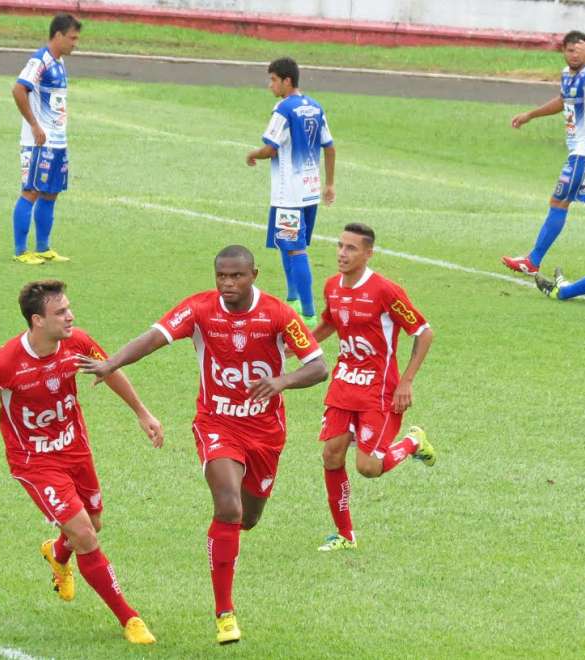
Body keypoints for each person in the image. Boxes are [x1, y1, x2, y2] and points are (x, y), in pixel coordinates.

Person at [77, 245, 328, 645]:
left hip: (265, 433)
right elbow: (154, 337)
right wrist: (113, 363)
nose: (228, 284)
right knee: (227, 506)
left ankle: (229, 546)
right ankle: (224, 614)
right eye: (222, 276)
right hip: (216, 423)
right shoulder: (199, 308)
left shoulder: (278, 314)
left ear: (254, 275)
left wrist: (281, 382)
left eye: (237, 276)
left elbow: (318, 366)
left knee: (247, 518)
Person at [0, 280, 162, 645]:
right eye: (61, 312)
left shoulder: (76, 342)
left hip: (75, 448)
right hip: (35, 461)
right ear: (37, 320)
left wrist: (142, 413)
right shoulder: (2, 363)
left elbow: (108, 369)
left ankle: (56, 552)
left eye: (69, 308)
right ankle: (129, 618)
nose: (71, 316)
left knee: (93, 523)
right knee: (84, 533)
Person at [310, 223, 436, 552]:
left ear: (368, 254)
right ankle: (345, 535)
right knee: (331, 455)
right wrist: (293, 348)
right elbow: (328, 324)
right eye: (340, 245)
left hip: (379, 389)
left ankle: (412, 442)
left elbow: (423, 332)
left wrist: (405, 381)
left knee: (368, 468)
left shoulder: (385, 291)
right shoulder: (332, 287)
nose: (342, 253)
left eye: (351, 248)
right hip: (343, 382)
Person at [502, 30, 585, 276]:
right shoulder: (567, 75)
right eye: (570, 49)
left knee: (559, 201)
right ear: (563, 51)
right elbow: (563, 100)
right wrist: (530, 115)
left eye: (580, 49)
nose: (574, 54)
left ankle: (533, 260)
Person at [246, 57, 336, 327]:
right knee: (289, 246)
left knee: (295, 250)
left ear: (287, 81)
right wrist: (329, 184)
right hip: (309, 191)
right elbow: (329, 147)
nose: (270, 85)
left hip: (290, 195)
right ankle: (293, 299)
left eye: (273, 79)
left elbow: (271, 148)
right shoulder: (315, 107)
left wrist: (252, 154)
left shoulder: (284, 109)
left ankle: (307, 313)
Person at [10, 13, 80, 265]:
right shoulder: (39, 61)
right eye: (72, 38)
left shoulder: (58, 62)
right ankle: (20, 251)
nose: (75, 43)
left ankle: (42, 247)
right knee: (30, 191)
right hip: (38, 141)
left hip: (57, 142)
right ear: (58, 35)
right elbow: (18, 89)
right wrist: (34, 125)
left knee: (50, 193)